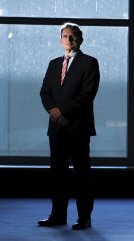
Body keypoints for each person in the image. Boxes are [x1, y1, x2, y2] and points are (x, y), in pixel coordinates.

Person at [38, 22, 100, 230]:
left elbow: (87, 94)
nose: (69, 40)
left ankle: (84, 217)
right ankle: (58, 215)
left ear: (81, 39)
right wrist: (54, 112)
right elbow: (45, 92)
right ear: (60, 39)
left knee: (82, 173)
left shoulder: (90, 63)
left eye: (73, 36)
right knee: (58, 173)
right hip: (56, 127)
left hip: (78, 126)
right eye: (65, 36)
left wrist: (63, 112)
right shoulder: (54, 63)